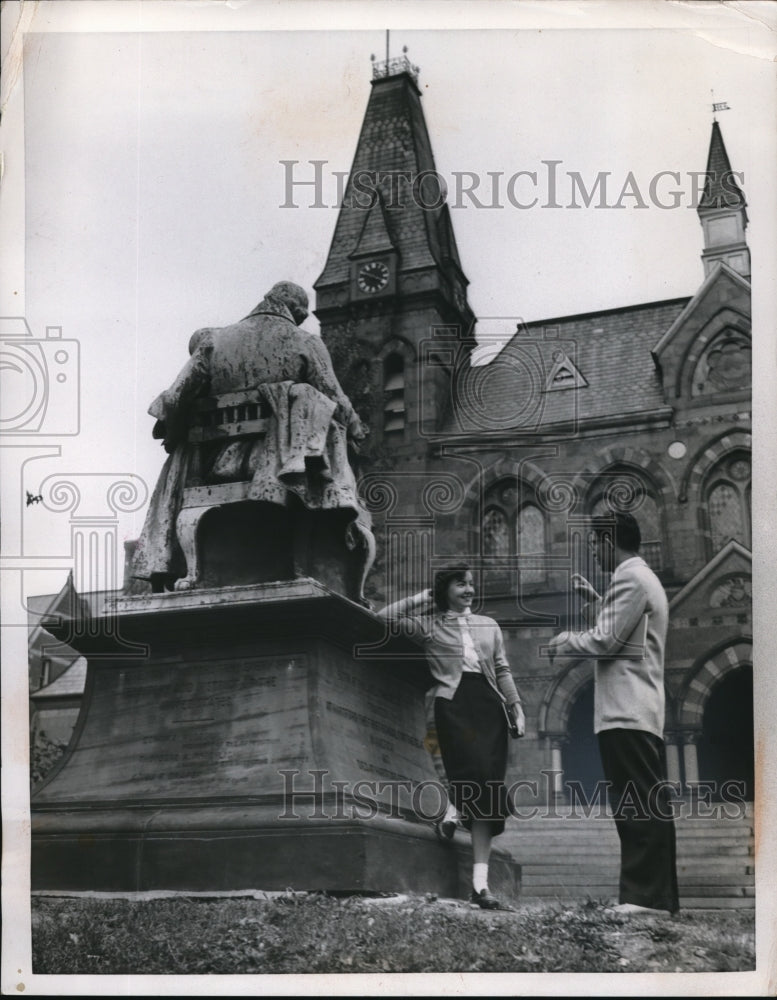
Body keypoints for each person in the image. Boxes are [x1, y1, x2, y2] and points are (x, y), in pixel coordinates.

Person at [129, 281, 374, 598]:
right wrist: (355, 428)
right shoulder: (306, 341)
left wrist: (176, 427)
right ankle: (345, 580)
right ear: (295, 310)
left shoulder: (213, 340)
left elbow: (176, 396)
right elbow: (334, 397)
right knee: (328, 427)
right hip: (283, 465)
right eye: (300, 314)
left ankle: (192, 571)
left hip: (215, 462)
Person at [548, 511, 679, 917]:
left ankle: (644, 899)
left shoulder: (630, 578)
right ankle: (657, 899)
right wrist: (598, 602)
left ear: (608, 542)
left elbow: (606, 641)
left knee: (636, 804)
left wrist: (565, 640)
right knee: (643, 802)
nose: (592, 552)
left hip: (627, 709)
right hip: (637, 709)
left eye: (593, 544)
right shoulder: (641, 579)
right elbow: (625, 633)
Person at [379, 565, 525, 910]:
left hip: (490, 707)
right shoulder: (429, 625)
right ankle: (454, 808)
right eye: (461, 584)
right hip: (454, 705)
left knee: (488, 789)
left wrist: (516, 706)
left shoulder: (489, 626)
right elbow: (384, 619)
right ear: (445, 589)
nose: (469, 589)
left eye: (472, 583)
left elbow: (502, 668)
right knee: (470, 769)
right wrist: (421, 598)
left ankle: (480, 884)